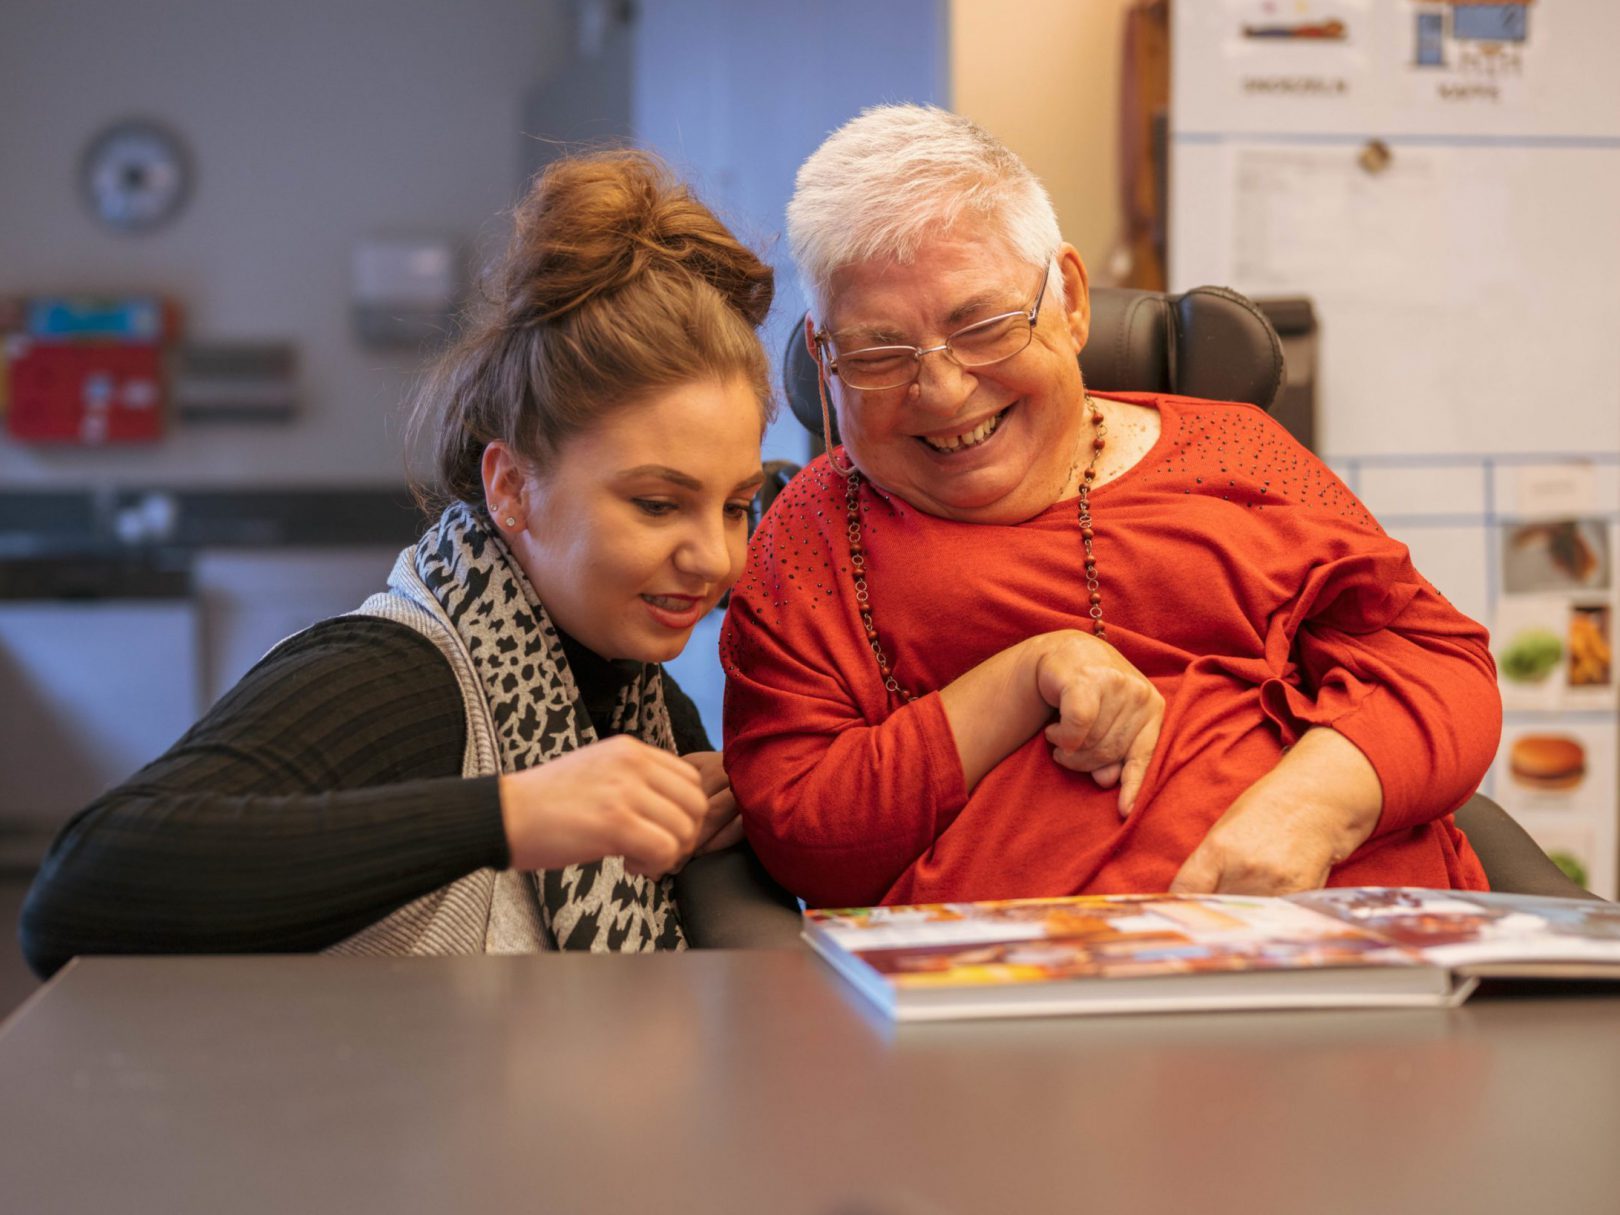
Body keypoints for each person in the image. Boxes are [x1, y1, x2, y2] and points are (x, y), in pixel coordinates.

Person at [720, 105, 1500, 910]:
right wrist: (1020, 679)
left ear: (1073, 301)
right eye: (879, 353)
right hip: (1017, 1002)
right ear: (824, 356)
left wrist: (1310, 811)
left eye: (983, 326)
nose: (944, 391)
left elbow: (1441, 670)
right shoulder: (812, 536)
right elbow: (805, 833)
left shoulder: (1238, 452)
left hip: (1361, 955)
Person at [21, 150, 775, 976]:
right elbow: (79, 891)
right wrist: (512, 814)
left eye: (736, 506)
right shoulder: (400, 676)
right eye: (657, 504)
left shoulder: (648, 703)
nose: (714, 558)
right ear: (514, 487)